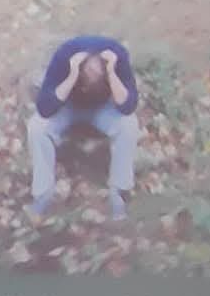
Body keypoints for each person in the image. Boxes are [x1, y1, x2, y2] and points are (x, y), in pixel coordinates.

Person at [27, 35, 140, 221]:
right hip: (68, 107)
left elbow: (128, 106)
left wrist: (111, 73)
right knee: (37, 127)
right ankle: (43, 195)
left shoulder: (117, 56)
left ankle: (119, 193)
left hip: (102, 108)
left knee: (129, 124)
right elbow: (45, 108)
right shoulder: (65, 55)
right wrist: (72, 76)